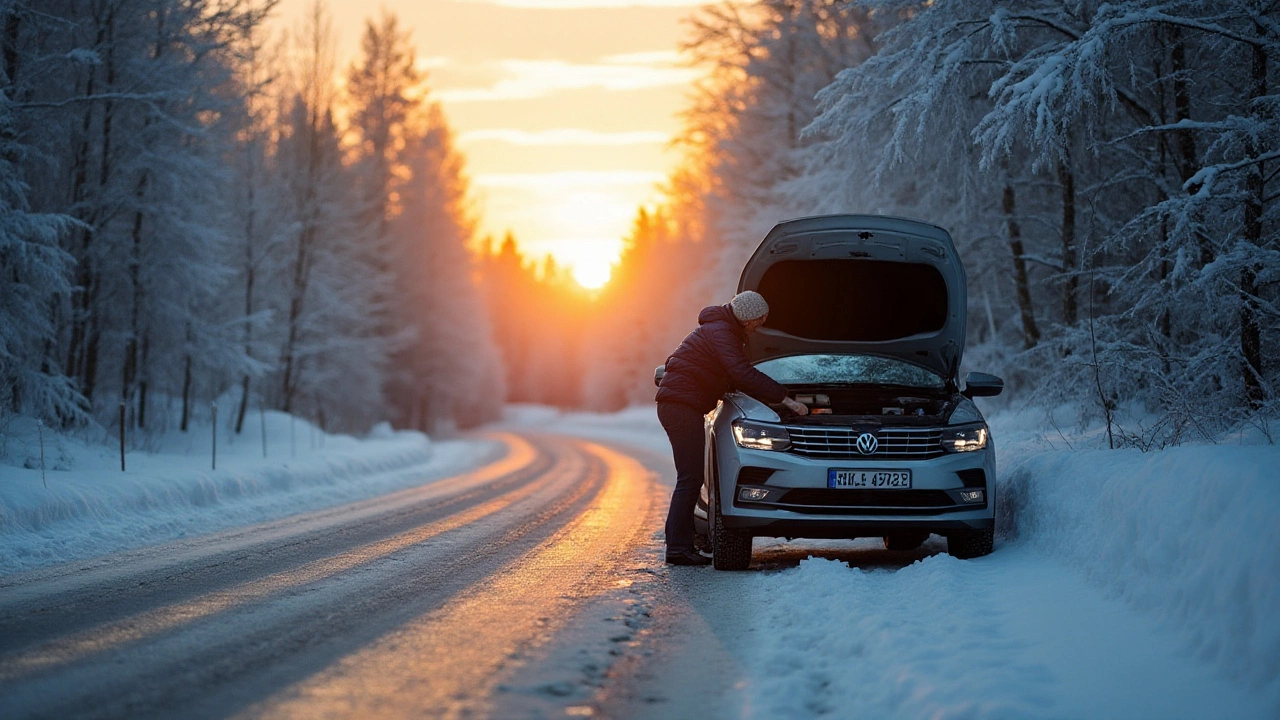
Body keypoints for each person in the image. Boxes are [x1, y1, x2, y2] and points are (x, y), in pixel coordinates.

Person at [655, 291, 808, 566]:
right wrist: (784, 398)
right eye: (759, 320)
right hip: (680, 407)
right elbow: (740, 371)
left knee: (689, 478)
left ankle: (681, 543)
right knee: (689, 478)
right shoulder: (722, 332)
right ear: (748, 318)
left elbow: (677, 363)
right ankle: (677, 548)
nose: (760, 325)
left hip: (678, 405)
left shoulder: (717, 329)